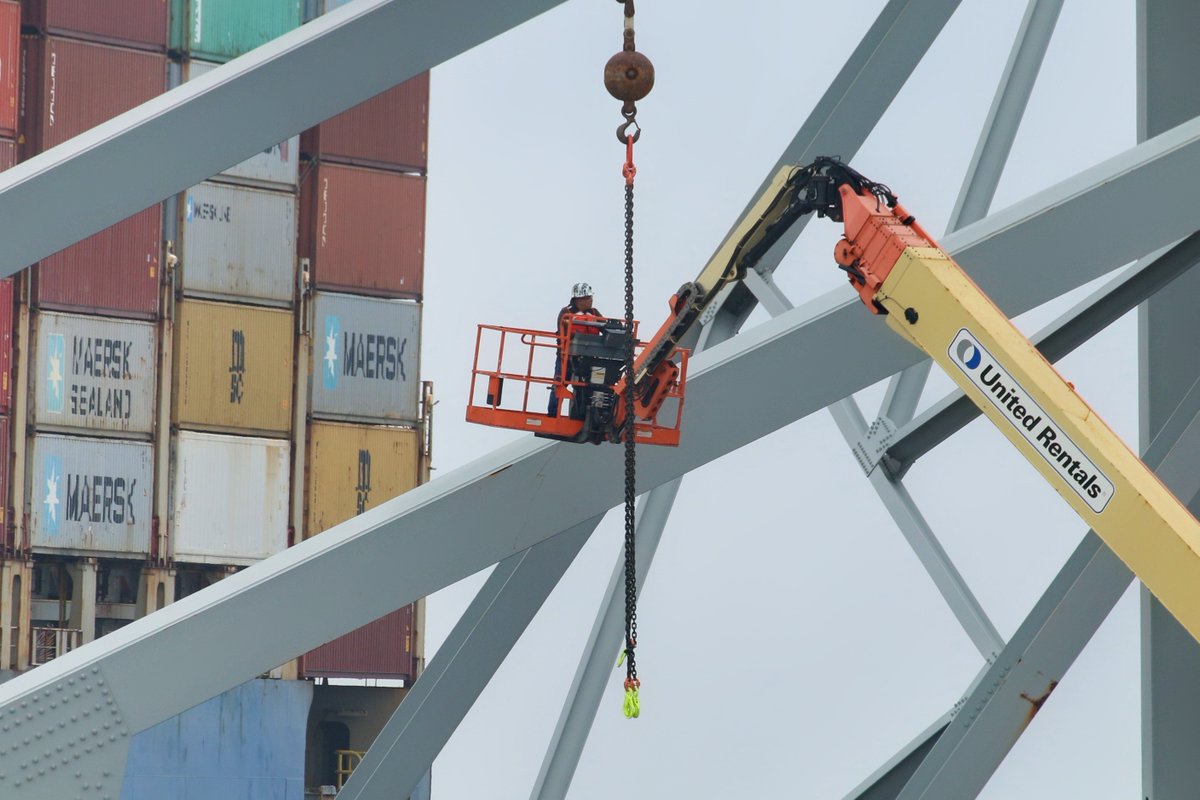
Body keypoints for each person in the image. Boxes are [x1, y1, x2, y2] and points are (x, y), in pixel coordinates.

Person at [548, 282, 604, 416]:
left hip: (590, 357)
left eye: (591, 297)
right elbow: (563, 331)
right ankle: (552, 414)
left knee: (599, 385)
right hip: (567, 356)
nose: (591, 300)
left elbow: (606, 326)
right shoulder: (566, 313)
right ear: (579, 299)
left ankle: (594, 415)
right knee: (560, 382)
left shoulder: (594, 313)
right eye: (587, 298)